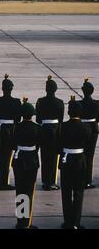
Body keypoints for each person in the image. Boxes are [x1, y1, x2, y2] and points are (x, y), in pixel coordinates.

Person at [59, 97, 91, 229]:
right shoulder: (86, 127)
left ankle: (68, 222)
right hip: (79, 161)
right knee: (78, 192)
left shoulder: (63, 126)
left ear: (69, 113)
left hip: (67, 160)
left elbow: (58, 145)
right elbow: (89, 147)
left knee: (66, 193)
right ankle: (76, 223)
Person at [12, 98, 40, 229]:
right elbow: (38, 145)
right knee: (29, 191)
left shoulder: (16, 127)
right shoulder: (37, 128)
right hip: (31, 160)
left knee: (20, 190)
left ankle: (20, 221)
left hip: (19, 159)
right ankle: (26, 223)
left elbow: (13, 144)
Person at [0, 74, 22, 190]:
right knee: (6, 158)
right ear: (11, 89)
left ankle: (2, 182)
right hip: (10, 131)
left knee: (0, 157)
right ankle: (3, 183)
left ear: (2, 89)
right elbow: (18, 119)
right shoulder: (16, 102)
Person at [36, 75, 64, 191]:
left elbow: (38, 119)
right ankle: (51, 181)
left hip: (44, 129)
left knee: (44, 156)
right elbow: (61, 120)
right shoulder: (59, 102)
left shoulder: (40, 101)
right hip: (55, 130)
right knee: (53, 157)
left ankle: (45, 181)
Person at [80, 78, 99, 189]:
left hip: (82, 128)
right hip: (92, 129)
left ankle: (80, 178)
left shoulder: (79, 104)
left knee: (81, 154)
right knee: (90, 156)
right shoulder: (96, 104)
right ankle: (87, 180)